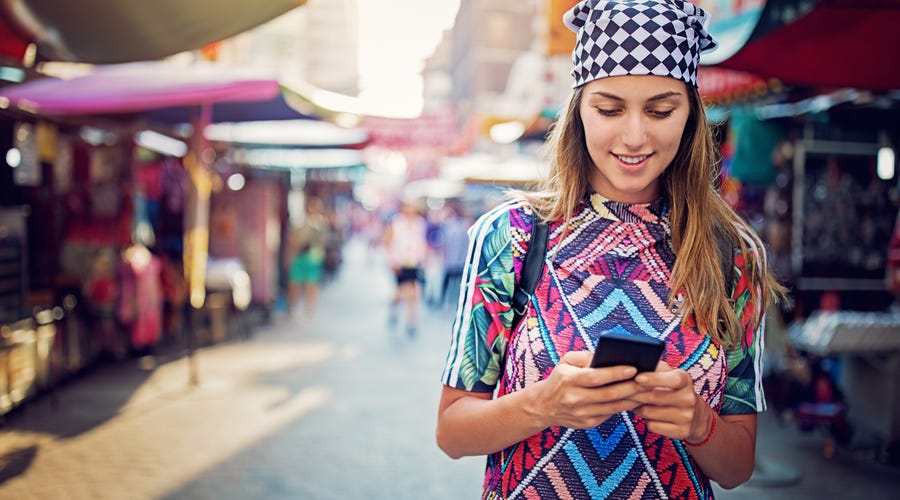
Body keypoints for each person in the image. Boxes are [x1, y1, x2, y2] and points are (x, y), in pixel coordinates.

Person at [436, 1, 786, 498]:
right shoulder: (511, 235)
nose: (635, 136)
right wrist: (542, 404)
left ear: (691, 117)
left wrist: (699, 423)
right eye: (609, 108)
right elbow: (451, 430)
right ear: (577, 109)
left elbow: (736, 467)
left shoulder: (733, 254)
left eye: (661, 110)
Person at [384, 198, 428, 336]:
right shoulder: (396, 222)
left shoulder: (420, 223)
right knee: (399, 293)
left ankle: (411, 322)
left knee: (413, 293)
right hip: (399, 262)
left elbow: (422, 241)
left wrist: (424, 258)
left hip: (414, 262)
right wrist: (391, 261)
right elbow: (387, 242)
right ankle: (394, 310)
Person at [285, 197, 327, 316]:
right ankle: (294, 305)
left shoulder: (319, 222)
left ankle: (308, 306)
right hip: (301, 256)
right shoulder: (301, 221)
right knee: (295, 282)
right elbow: (293, 238)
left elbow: (321, 240)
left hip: (312, 257)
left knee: (310, 283)